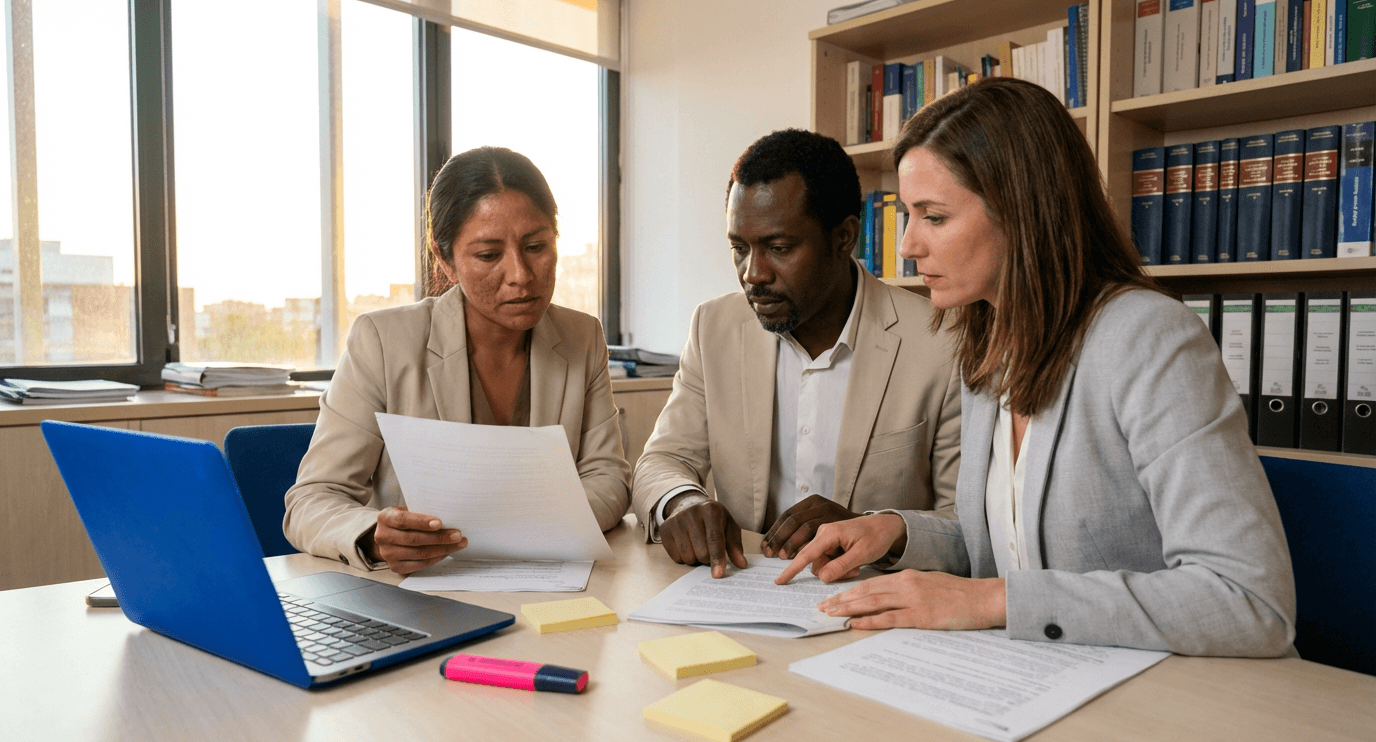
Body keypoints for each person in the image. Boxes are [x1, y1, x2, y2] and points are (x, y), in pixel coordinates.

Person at [777, 78, 1296, 657]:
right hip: (1045, 673)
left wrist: (991, 601)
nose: (907, 246)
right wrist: (895, 531)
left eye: (935, 217)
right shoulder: (988, 342)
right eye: (908, 216)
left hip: (1171, 688)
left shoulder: (1149, 339)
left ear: (1022, 212)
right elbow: (1016, 541)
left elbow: (1249, 600)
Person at [632, 129, 962, 578]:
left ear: (843, 237)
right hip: (739, 589)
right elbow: (662, 460)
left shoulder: (942, 342)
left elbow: (968, 526)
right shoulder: (714, 328)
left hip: (872, 597)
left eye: (779, 248)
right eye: (739, 248)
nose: (753, 274)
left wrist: (874, 528)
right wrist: (682, 502)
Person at [284, 146, 630, 574]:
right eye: (488, 255)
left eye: (536, 246)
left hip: (548, 578)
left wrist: (523, 533)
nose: (520, 275)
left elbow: (608, 478)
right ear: (445, 260)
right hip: (423, 587)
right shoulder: (383, 340)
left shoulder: (582, 337)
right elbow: (312, 500)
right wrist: (375, 537)